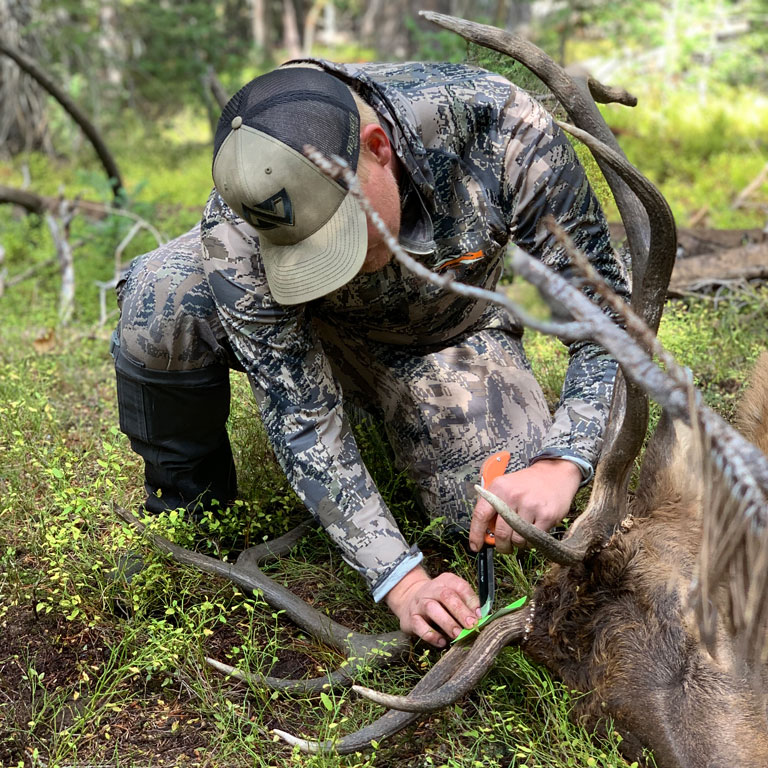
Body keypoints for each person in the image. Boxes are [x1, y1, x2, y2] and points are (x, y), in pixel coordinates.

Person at [112, 60, 629, 649]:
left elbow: (606, 317)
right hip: (319, 339)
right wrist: (400, 580)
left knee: (504, 519)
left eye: (341, 231)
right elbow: (300, 414)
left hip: (444, 337)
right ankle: (189, 513)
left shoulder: (502, 127)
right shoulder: (241, 221)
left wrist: (562, 463)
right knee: (162, 295)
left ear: (378, 148)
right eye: (301, 250)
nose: (334, 264)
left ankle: (407, 412)